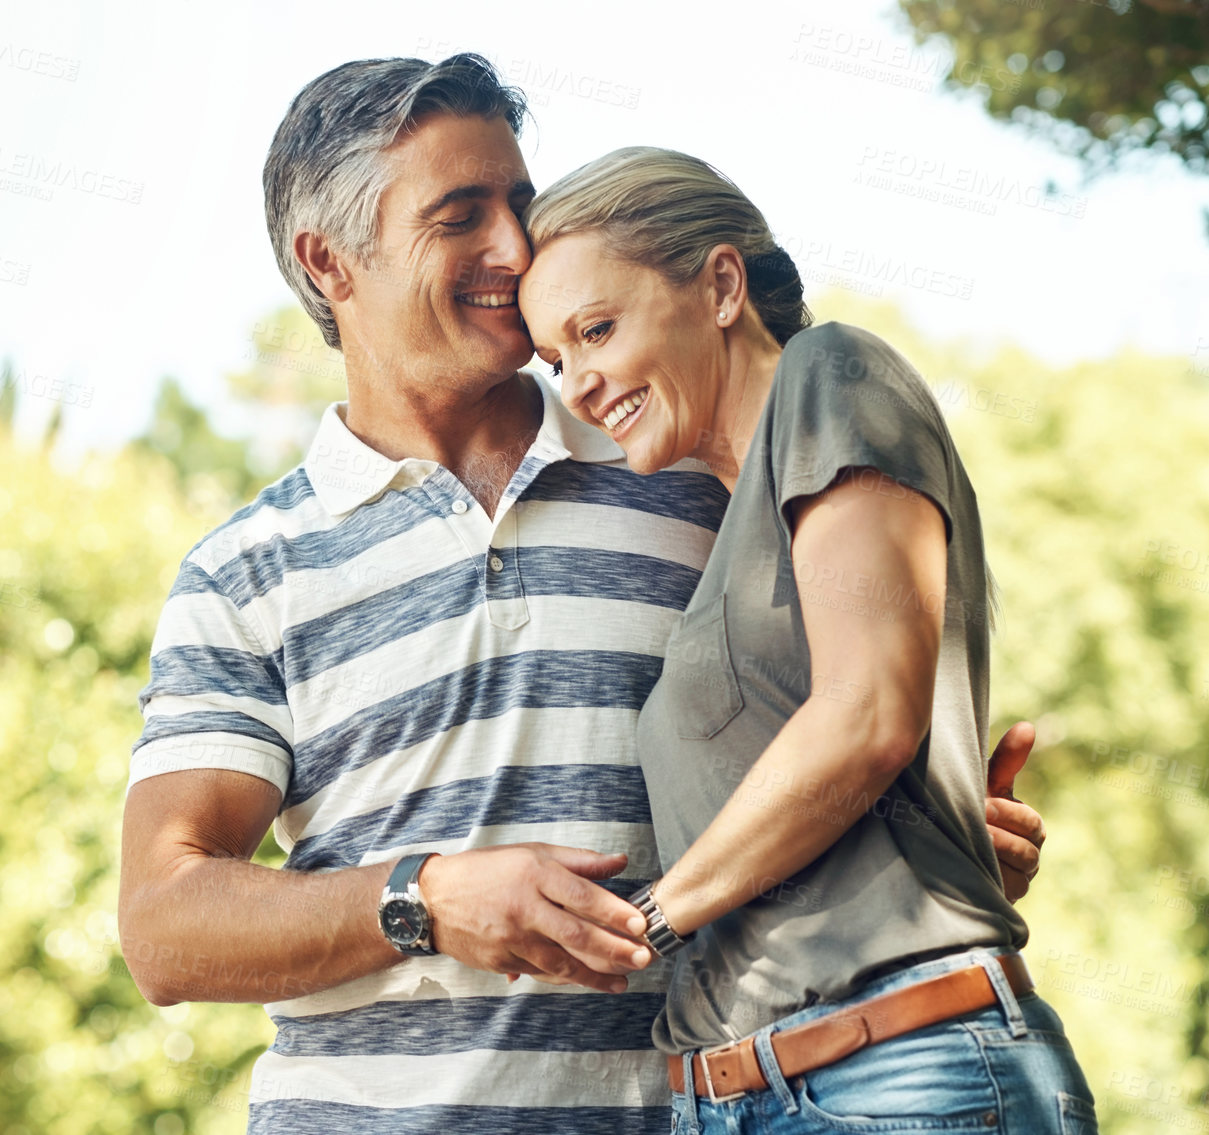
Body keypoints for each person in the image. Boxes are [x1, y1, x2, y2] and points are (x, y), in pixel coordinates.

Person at [119, 55, 1050, 1134]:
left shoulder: (694, 475)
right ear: (330, 262)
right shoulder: (247, 571)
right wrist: (420, 898)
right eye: (461, 216)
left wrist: (911, 848)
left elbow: (847, 721)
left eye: (518, 203)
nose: (515, 250)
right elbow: (163, 923)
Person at [519, 146, 1094, 1133]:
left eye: (598, 330)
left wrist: (647, 918)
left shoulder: (831, 375)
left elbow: (867, 715)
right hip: (742, 1097)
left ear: (722, 286)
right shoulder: (725, 530)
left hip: (897, 1078)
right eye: (557, 359)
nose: (579, 384)